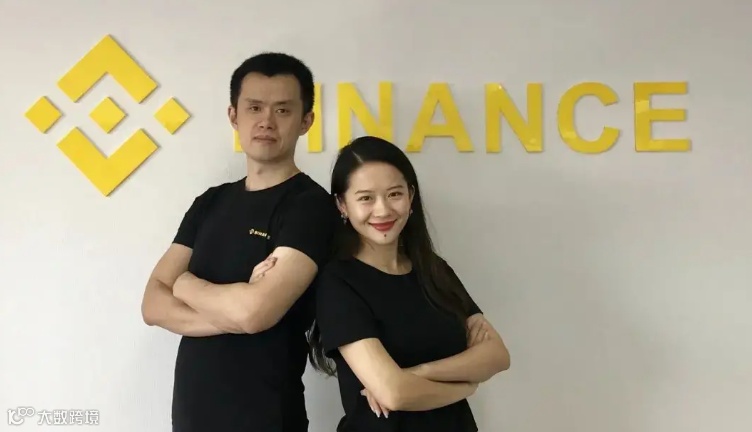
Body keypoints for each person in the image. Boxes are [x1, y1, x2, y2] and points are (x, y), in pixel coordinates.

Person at [140, 52, 339, 432]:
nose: (266, 121)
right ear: (234, 116)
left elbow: (253, 313)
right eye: (254, 108)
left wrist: (185, 284)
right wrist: (233, 311)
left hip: (267, 418)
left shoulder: (310, 207)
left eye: (283, 110)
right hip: (191, 418)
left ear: (306, 121)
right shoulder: (209, 202)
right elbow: (152, 304)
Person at [307, 135, 511, 431]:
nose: (382, 210)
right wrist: (465, 386)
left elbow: (497, 356)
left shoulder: (434, 269)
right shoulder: (338, 283)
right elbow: (394, 393)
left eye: (394, 194)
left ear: (411, 196)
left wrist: (420, 372)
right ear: (342, 205)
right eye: (366, 198)